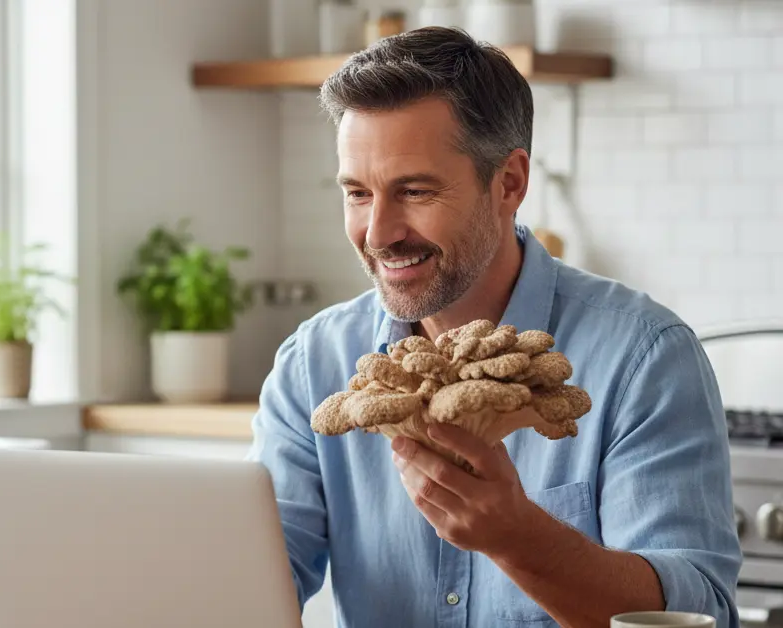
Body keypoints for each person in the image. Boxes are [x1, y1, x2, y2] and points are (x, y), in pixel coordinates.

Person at [246, 26, 741, 628]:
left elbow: (698, 612)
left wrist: (522, 538)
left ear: (509, 183)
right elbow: (248, 587)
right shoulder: (311, 364)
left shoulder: (645, 358)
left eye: (415, 190)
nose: (377, 234)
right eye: (357, 193)